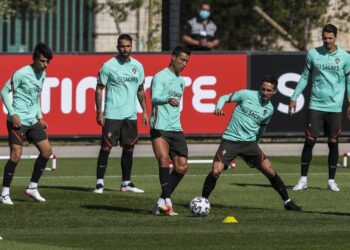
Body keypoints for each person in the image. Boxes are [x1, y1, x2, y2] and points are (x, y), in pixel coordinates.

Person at [201, 75, 302, 212]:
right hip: (231, 140)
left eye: (268, 90)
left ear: (274, 92)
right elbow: (224, 97)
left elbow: (262, 128)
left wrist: (256, 143)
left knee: (269, 170)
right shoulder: (246, 94)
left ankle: (287, 202)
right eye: (263, 89)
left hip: (250, 144)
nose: (265, 93)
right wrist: (218, 107)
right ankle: (203, 201)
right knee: (216, 171)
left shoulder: (270, 109)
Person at [289, 24, 350, 192]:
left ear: (335, 37)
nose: (327, 41)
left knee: (333, 143)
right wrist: (293, 97)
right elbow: (304, 77)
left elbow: (349, 81)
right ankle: (303, 180)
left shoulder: (345, 57)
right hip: (315, 105)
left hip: (335, 107)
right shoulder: (313, 54)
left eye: (330, 38)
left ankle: (331, 180)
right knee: (309, 142)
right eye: (325, 37)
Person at [93, 34, 149, 194]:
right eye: (122, 46)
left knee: (129, 148)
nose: (125, 49)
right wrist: (99, 112)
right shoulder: (108, 66)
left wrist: (144, 111)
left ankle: (126, 183)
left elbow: (140, 90)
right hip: (112, 115)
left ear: (132, 47)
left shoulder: (138, 66)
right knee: (106, 147)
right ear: (118, 47)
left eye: (128, 46)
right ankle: (99, 183)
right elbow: (99, 88)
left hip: (130, 116)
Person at [0, 42, 53, 205]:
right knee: (16, 154)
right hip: (17, 121)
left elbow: (35, 97)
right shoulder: (22, 73)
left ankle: (32, 188)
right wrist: (13, 113)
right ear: (35, 59)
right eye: (42, 61)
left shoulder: (42, 75)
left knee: (47, 152)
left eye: (47, 62)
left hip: (32, 120)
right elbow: (3, 91)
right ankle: (4, 194)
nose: (45, 65)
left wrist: (40, 116)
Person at [150, 46, 191, 216]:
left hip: (176, 128)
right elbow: (154, 97)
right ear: (173, 57)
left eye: (187, 61)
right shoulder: (160, 76)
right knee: (164, 160)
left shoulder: (181, 81)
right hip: (159, 126)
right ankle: (167, 202)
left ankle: (161, 201)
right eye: (182, 60)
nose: (184, 64)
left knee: (182, 167)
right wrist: (167, 99)